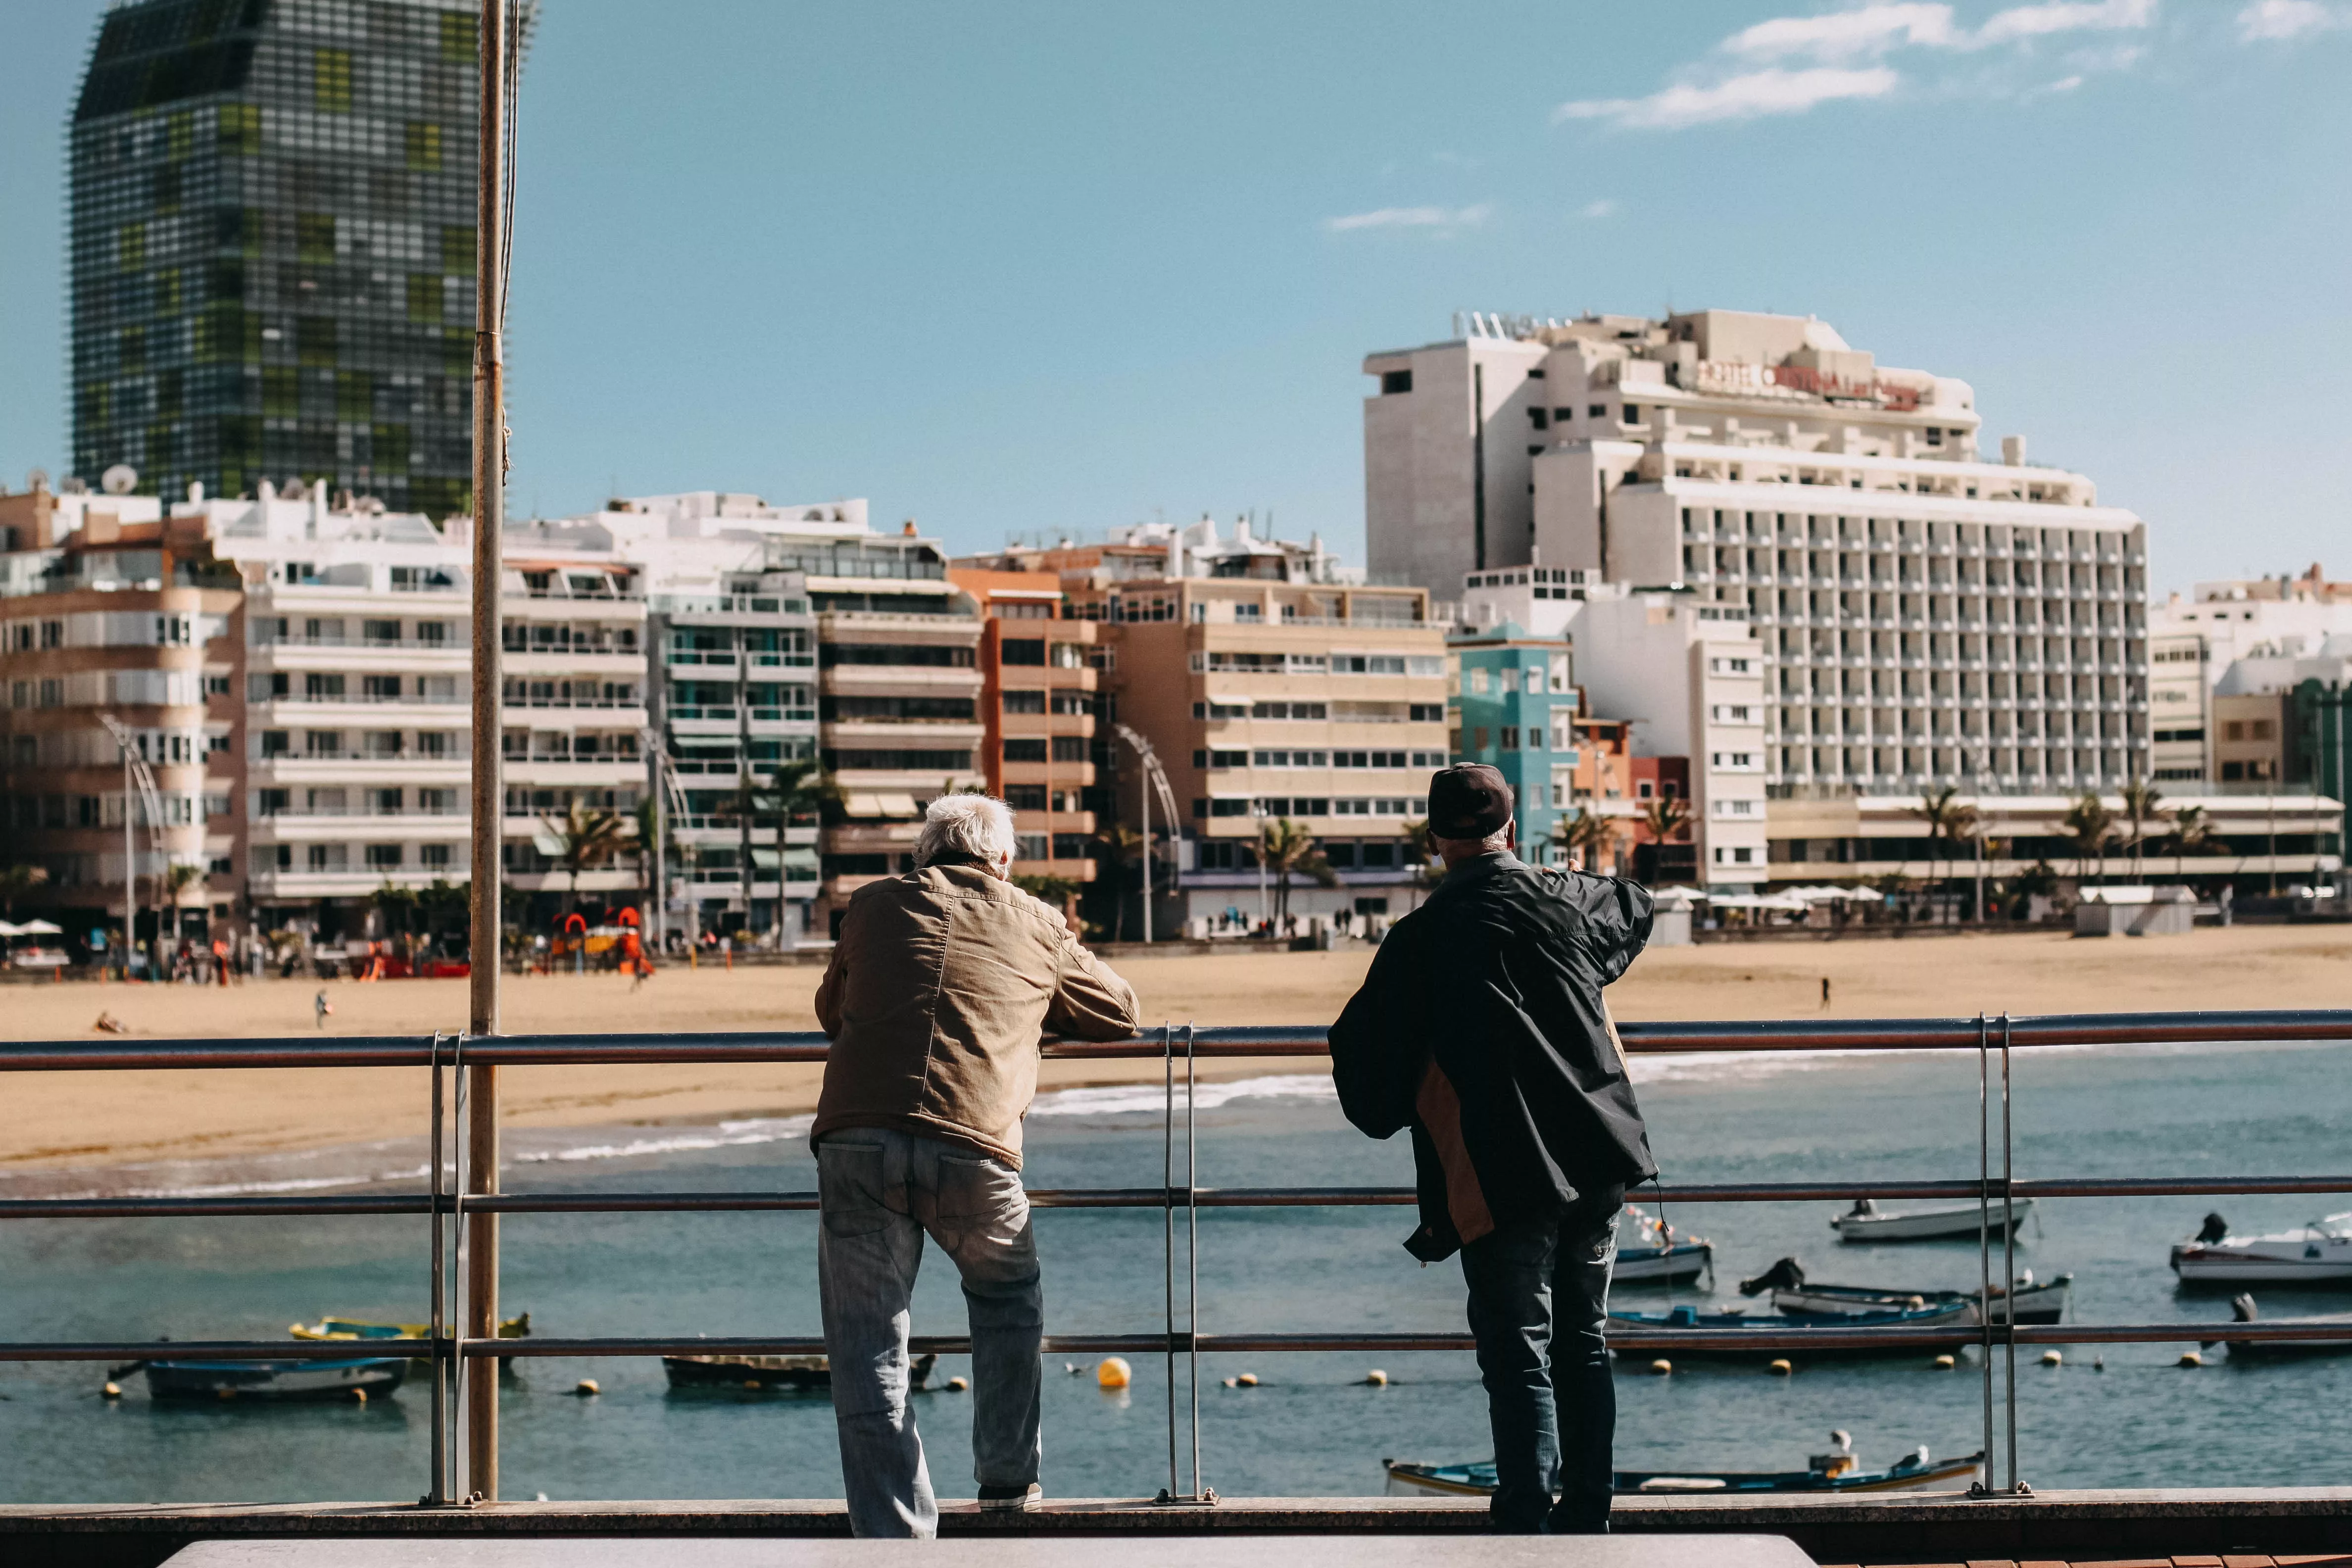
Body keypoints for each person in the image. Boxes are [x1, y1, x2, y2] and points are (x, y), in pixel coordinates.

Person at [1329, 764, 1656, 1535]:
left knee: (1518, 1355)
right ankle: (1588, 1517)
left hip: (1503, 1169)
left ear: (1434, 841)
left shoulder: (1418, 940)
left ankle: (1525, 1522)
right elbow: (1635, 904)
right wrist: (1567, 912)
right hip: (1600, 1151)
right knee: (1584, 1342)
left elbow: (1363, 1063)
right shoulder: (1569, 898)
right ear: (1511, 829)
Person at [811, 793, 1141, 1537]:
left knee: (868, 1343)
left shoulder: (869, 906)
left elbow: (833, 1012)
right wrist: (1026, 1008)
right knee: (1006, 1301)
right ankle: (1006, 1487)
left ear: (924, 854)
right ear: (1003, 860)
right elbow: (1120, 1012)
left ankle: (894, 1536)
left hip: (857, 1140)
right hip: (974, 1144)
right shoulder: (1037, 921)